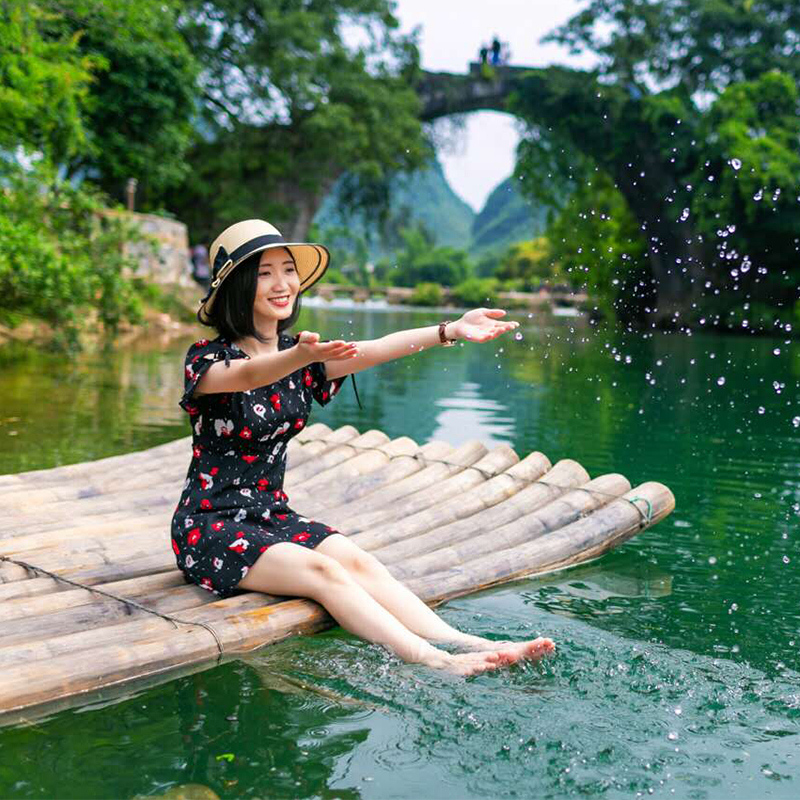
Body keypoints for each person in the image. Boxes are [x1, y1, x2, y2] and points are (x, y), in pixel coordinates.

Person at [172, 219, 555, 676]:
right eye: (264, 272)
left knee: (355, 559)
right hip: (208, 526)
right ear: (237, 285)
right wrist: (300, 357)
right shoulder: (208, 361)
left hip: (272, 517)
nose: (282, 284)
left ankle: (462, 641)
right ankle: (435, 661)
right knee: (326, 573)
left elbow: (378, 347)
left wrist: (450, 329)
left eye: (288, 269)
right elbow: (251, 375)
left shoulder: (303, 356)